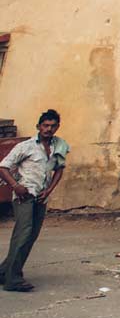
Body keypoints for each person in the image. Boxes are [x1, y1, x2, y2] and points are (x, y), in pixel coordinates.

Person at [0, 110, 69, 293]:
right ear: (38, 127)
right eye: (45, 125)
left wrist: (49, 190)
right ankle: (13, 279)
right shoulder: (27, 146)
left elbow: (59, 169)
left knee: (31, 236)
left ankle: (4, 272)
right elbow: (3, 167)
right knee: (23, 234)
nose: (49, 129)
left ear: (57, 127)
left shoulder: (59, 146)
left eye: (52, 126)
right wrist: (16, 185)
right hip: (25, 195)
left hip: (41, 196)